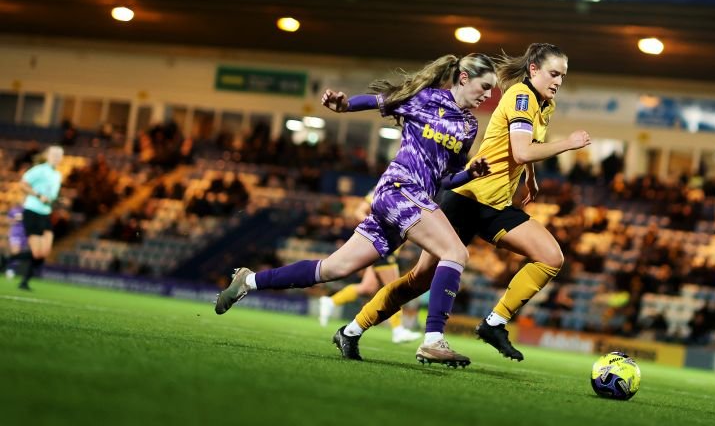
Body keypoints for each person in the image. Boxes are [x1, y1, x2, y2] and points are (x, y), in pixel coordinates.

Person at [214, 53, 497, 367]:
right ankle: (432, 339)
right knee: (455, 253)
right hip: (399, 189)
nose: (488, 95)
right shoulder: (424, 99)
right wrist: (345, 105)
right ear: (463, 78)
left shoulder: (469, 126)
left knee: (334, 269)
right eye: (485, 86)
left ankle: (249, 281)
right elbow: (379, 101)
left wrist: (470, 174)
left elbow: (446, 177)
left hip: (414, 198)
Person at [333, 43, 592, 362]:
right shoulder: (520, 97)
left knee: (551, 257)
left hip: (495, 203)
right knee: (418, 281)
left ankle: (494, 324)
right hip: (467, 196)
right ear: (534, 70)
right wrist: (568, 144)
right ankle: (352, 331)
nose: (558, 82)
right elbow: (522, 149)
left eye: (563, 76)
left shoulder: (544, 104)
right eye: (554, 74)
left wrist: (531, 178)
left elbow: (526, 148)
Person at [318, 188, 421, 344]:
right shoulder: (385, 188)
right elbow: (359, 212)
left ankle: (331, 301)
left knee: (368, 287)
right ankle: (398, 330)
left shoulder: (409, 189)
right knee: (393, 288)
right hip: (383, 245)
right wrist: (377, 228)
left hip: (389, 247)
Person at [5, 146, 65, 290]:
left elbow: (52, 195)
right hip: (32, 211)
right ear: (48, 155)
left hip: (46, 213)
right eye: (54, 154)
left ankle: (14, 267)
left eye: (59, 155)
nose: (57, 157)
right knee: (37, 252)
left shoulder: (58, 175)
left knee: (44, 253)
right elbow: (23, 184)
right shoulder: (40, 169)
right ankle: (19, 275)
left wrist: (56, 200)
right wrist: (38, 195)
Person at [1, 204, 28, 279]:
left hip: (25, 234)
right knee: (15, 251)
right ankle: (9, 268)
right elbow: (7, 220)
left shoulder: (29, 210)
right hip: (15, 233)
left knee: (19, 253)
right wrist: (15, 220)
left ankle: (12, 269)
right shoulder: (14, 210)